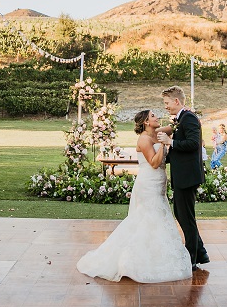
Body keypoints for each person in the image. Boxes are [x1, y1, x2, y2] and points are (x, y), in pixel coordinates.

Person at [77, 110, 192, 282]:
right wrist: (163, 145)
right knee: (148, 219)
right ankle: (132, 260)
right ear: (146, 122)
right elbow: (154, 163)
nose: (157, 117)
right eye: (153, 116)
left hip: (159, 183)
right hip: (148, 183)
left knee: (158, 218)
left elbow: (174, 126)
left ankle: (156, 256)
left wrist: (181, 116)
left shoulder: (157, 133)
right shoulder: (144, 139)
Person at [158, 86, 209, 268]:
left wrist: (170, 141)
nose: (165, 106)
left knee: (186, 218)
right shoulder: (181, 118)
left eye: (167, 103)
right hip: (183, 175)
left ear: (176, 101)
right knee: (182, 215)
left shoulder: (188, 118)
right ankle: (200, 253)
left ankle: (191, 259)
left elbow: (193, 143)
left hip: (188, 176)